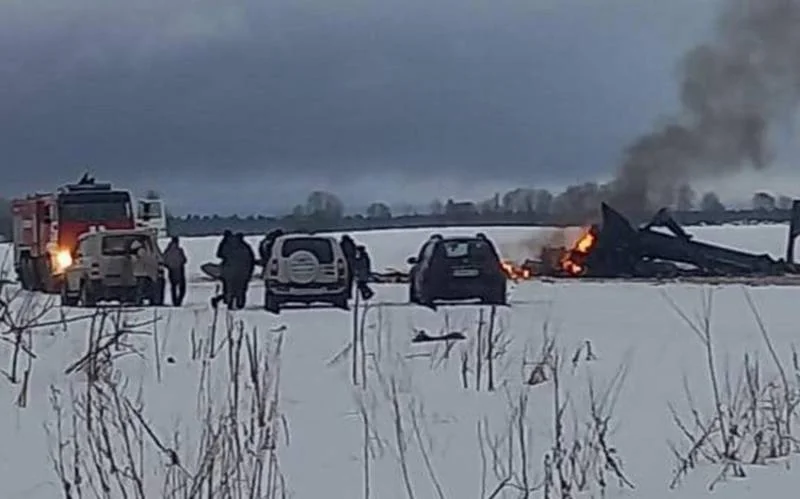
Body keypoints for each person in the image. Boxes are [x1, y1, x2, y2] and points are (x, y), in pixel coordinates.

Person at [229, 233, 256, 310]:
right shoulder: (246, 247)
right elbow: (251, 260)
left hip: (237, 272)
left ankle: (234, 303)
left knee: (234, 289)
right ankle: (239, 304)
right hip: (243, 272)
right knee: (241, 289)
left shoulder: (233, 248)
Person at [211, 230, 235, 309]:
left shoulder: (223, 243)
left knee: (227, 287)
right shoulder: (232, 244)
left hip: (226, 266)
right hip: (231, 266)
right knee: (231, 287)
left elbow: (219, 254)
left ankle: (223, 300)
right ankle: (226, 301)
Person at [162, 236, 187, 306]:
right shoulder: (179, 250)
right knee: (182, 288)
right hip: (180, 270)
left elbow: (164, 260)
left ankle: (174, 301)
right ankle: (179, 301)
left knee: (173, 287)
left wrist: (169, 266)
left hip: (171, 271)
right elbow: (184, 260)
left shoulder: (167, 251)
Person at [339, 234, 357, 299]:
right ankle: (348, 294)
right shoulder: (352, 244)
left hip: (346, 265)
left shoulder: (342, 245)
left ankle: (346, 294)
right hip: (351, 265)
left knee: (346, 281)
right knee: (349, 281)